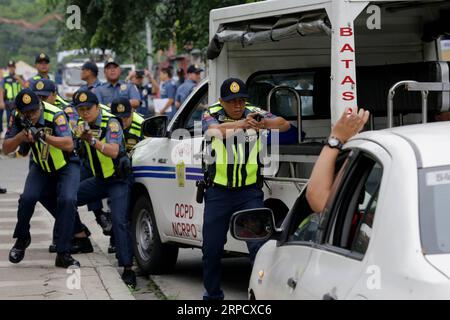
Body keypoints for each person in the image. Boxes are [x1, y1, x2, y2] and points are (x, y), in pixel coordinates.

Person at [201, 78, 290, 300]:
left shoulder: (255, 112)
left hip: (248, 193)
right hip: (218, 192)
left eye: (241, 100)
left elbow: (284, 124)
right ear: (222, 101)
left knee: (258, 248)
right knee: (211, 250)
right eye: (232, 101)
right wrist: (242, 125)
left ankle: (261, 296)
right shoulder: (210, 114)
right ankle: (212, 297)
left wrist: (263, 124)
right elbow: (214, 132)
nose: (238, 105)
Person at [2, 89, 80, 268]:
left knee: (68, 200)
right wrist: (22, 135)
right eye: (26, 112)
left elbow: (68, 144)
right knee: (27, 198)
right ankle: (22, 239)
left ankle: (63, 252)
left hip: (67, 164)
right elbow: (6, 148)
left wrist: (43, 136)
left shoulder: (56, 114)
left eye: (33, 111)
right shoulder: (17, 116)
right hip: (42, 165)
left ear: (40, 106)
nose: (31, 116)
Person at [72, 89, 136, 288]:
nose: (84, 113)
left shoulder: (112, 122)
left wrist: (91, 139)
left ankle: (128, 269)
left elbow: (114, 151)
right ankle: (78, 236)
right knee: (66, 199)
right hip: (99, 180)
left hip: (118, 180)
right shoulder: (80, 125)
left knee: (119, 221)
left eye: (88, 108)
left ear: (97, 107)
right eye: (80, 109)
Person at [306, 107, 370, 213]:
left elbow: (286, 127)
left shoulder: (269, 121)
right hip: (269, 164)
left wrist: (336, 138)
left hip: (270, 160)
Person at [0, 60, 24, 134]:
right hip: (9, 102)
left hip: (18, 102)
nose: (11, 68)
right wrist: (1, 101)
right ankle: (10, 135)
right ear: (8, 68)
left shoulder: (19, 77)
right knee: (9, 121)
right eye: (10, 67)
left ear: (15, 67)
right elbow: (1, 90)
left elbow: (25, 85)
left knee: (20, 120)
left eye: (12, 67)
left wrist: (19, 79)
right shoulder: (5, 78)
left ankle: (19, 135)